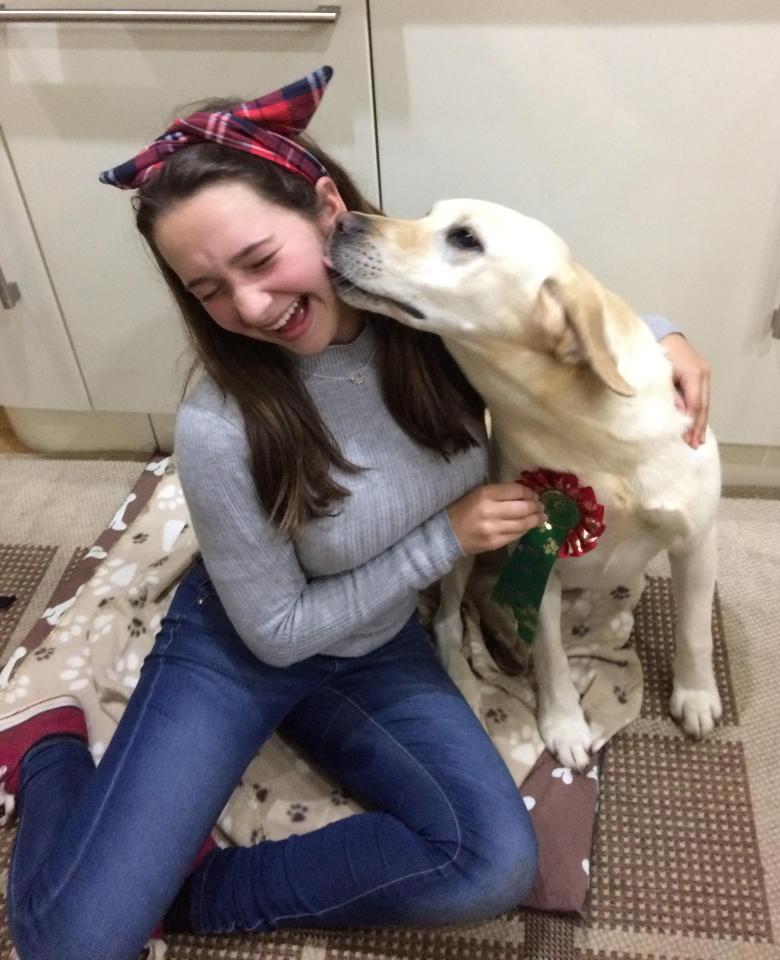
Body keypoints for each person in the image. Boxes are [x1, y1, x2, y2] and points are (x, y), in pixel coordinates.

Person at [0, 66, 712, 960]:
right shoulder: (219, 427)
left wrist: (663, 329)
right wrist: (444, 541)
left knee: (489, 864)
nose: (249, 308)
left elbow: (540, 296)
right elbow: (279, 633)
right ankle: (48, 751)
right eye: (209, 290)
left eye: (260, 260)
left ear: (327, 208)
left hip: (376, 647)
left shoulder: (426, 322)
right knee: (69, 945)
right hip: (243, 643)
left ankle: (185, 894)